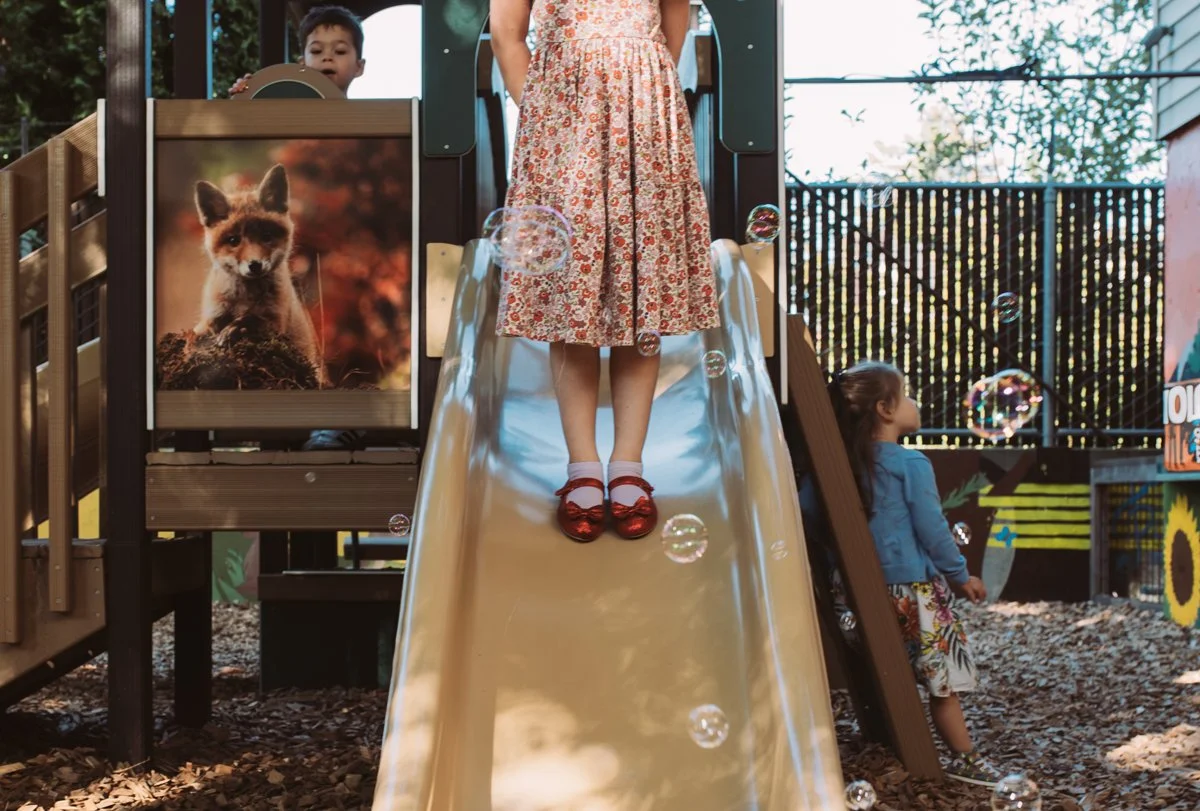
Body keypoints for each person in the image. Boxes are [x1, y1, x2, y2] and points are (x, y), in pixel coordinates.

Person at [489, 0, 720, 543]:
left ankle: (628, 466)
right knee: (573, 295)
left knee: (641, 293)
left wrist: (644, 83)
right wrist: (547, 114)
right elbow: (506, 33)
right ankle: (583, 469)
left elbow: (674, 21)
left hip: (643, 113)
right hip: (564, 121)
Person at [799, 360, 1002, 787]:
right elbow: (932, 529)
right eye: (906, 393)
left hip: (853, 595)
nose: (913, 402)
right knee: (941, 682)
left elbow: (809, 513)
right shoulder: (911, 465)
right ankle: (966, 760)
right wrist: (961, 576)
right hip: (914, 593)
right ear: (885, 410)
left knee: (889, 672)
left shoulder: (837, 468)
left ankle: (894, 740)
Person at [231, 5, 368, 452]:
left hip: (339, 246)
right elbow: (247, 136)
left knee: (340, 326)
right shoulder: (287, 115)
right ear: (301, 63)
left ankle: (346, 419)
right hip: (295, 249)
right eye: (316, 50)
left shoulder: (367, 123)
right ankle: (286, 418)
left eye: (340, 50)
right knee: (296, 326)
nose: (328, 58)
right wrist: (241, 101)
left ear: (359, 66)